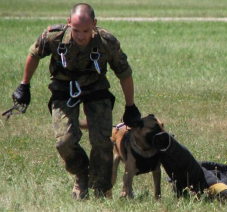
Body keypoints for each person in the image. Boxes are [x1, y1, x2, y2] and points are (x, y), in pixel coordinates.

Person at [12, 3, 141, 200]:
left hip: (95, 89)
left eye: (86, 31)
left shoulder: (106, 43)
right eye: (76, 30)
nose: (80, 36)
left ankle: (100, 190)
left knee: (102, 141)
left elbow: (125, 74)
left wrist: (130, 106)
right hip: (64, 90)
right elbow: (34, 54)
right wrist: (24, 85)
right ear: (69, 22)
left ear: (94, 25)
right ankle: (82, 173)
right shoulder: (53, 37)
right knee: (64, 141)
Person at [153, 132, 227, 203]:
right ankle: (165, 142)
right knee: (182, 171)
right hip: (206, 181)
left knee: (182, 171)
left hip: (206, 180)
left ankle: (165, 142)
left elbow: (218, 168)